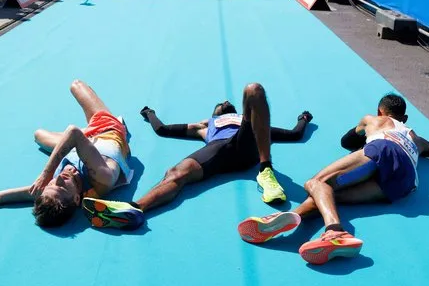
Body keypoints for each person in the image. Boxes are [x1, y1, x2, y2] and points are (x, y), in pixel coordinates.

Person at [238, 94, 429, 265]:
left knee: (315, 183)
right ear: (404, 118)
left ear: (380, 110)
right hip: (406, 182)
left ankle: (335, 231)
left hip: (382, 149)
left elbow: (347, 140)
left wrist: (363, 131)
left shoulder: (375, 120)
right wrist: (420, 144)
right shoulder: (416, 138)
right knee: (330, 197)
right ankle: (294, 217)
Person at [82, 83, 314, 230]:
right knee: (175, 173)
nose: (224, 104)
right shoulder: (204, 126)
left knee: (254, 90)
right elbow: (162, 130)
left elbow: (294, 135)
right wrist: (150, 113)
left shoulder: (257, 124)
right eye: (220, 105)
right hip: (218, 152)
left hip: (247, 144)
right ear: (213, 114)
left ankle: (266, 169)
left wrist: (304, 119)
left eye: (226, 104)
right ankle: (133, 209)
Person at [0, 80, 134, 228]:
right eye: (61, 184)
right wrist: (44, 174)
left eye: (51, 183)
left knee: (38, 135)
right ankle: (121, 125)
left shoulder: (46, 192)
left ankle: (64, 144)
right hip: (105, 131)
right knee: (76, 85)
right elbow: (74, 132)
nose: (55, 179)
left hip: (78, 145)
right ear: (77, 199)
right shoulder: (103, 179)